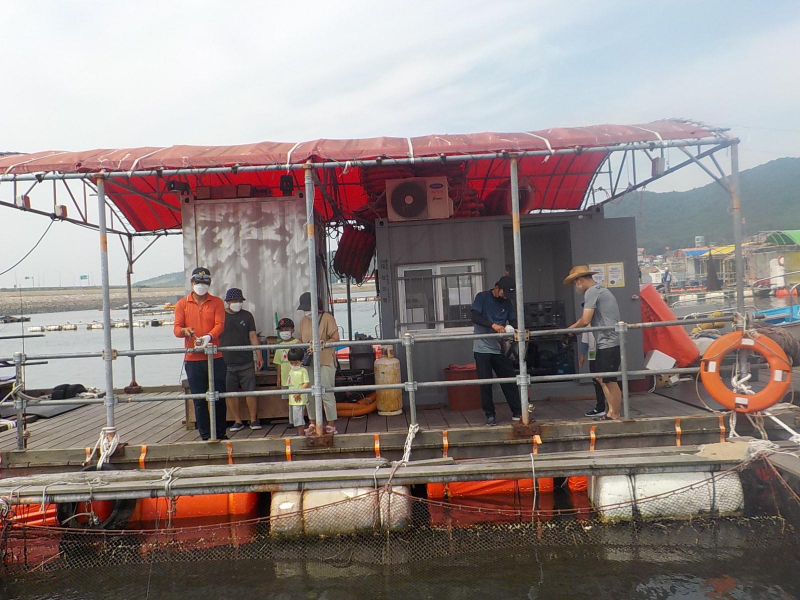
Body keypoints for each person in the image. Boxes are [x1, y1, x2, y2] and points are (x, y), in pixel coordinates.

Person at [173, 267, 228, 440]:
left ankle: (220, 433)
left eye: (205, 282)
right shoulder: (182, 304)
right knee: (199, 399)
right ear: (192, 282)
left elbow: (220, 324)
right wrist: (185, 331)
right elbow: (176, 329)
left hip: (215, 356)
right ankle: (205, 435)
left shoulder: (217, 302)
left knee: (219, 396)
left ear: (209, 284)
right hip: (193, 358)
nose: (201, 285)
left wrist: (208, 336)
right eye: (198, 282)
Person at [564, 265, 622, 421]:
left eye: (575, 283)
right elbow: (585, 320)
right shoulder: (600, 290)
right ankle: (611, 413)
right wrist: (574, 329)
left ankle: (614, 414)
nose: (575, 286)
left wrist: (570, 330)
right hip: (609, 341)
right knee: (604, 379)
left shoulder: (591, 291)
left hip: (607, 342)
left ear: (580, 280)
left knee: (608, 380)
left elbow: (585, 320)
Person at [471, 275, 523, 426]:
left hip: (501, 347)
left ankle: (518, 412)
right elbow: (475, 316)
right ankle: (490, 414)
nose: (505, 296)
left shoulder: (507, 302)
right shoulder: (482, 297)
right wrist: (493, 325)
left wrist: (513, 328)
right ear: (496, 288)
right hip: (482, 347)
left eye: (508, 294)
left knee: (509, 380)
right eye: (503, 293)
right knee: (486, 383)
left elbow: (513, 319)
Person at [220, 287, 263, 433]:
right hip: (226, 362)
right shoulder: (220, 316)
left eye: (239, 301)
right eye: (234, 301)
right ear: (227, 302)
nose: (237, 303)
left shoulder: (247, 315)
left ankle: (253, 419)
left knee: (250, 391)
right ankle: (237, 420)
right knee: (230, 392)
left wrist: (259, 355)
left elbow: (253, 336)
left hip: (246, 360)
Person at [298, 292, 340, 435]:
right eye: (304, 309)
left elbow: (336, 338)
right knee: (309, 393)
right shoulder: (303, 320)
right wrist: (300, 346)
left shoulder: (327, 318)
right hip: (309, 361)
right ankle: (312, 422)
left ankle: (331, 424)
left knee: (326, 392)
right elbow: (301, 339)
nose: (306, 311)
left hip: (325, 359)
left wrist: (323, 343)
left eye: (308, 308)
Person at [578, 332, 606, 418]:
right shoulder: (587, 324)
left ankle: (612, 409)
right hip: (593, 353)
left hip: (605, 352)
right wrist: (582, 355)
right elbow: (585, 339)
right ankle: (601, 407)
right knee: (596, 381)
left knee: (608, 381)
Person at [285, 347, 310, 436]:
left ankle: (301, 434)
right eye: (291, 363)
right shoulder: (291, 371)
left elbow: (306, 383)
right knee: (295, 418)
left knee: (299, 418)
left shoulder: (303, 370)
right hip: (292, 399)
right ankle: (299, 432)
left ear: (301, 361)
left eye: (296, 363)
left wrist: (299, 392)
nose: (293, 365)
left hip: (299, 399)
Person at [272, 317, 300, 393]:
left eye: (286, 329)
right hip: (285, 379)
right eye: (281, 330)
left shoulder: (298, 343)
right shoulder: (279, 346)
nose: (284, 332)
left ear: (292, 330)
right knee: (286, 397)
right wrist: (278, 377)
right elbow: (279, 363)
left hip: (297, 378)